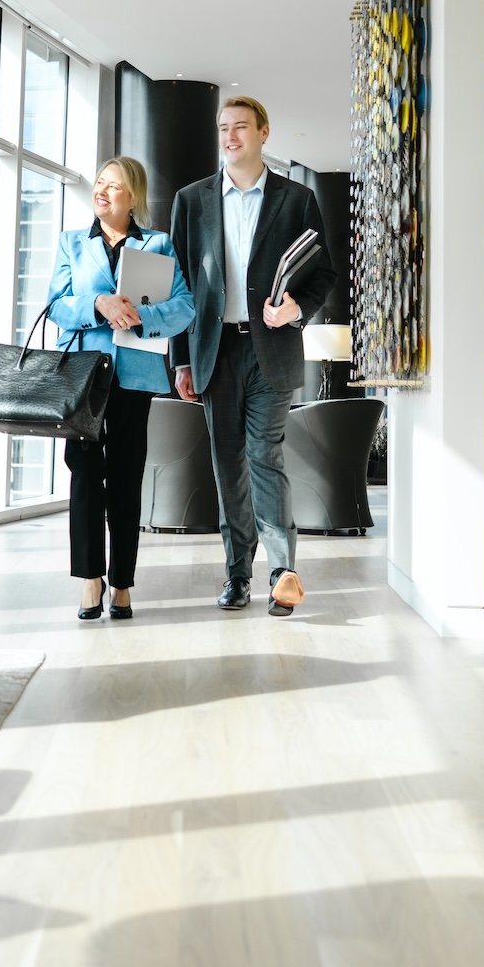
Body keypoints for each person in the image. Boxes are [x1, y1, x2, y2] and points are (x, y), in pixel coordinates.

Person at [170, 96, 335, 617]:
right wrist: (180, 359)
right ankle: (237, 574)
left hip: (271, 348)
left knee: (265, 455)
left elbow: (323, 273)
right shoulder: (191, 201)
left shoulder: (297, 198)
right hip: (214, 349)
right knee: (228, 465)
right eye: (223, 127)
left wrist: (295, 310)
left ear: (264, 132)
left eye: (240, 127)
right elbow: (179, 284)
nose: (230, 136)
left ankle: (282, 573)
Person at [45, 157, 195, 621]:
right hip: (84, 376)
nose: (102, 191)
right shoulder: (72, 242)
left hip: (134, 376)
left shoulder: (158, 244)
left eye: (114, 186)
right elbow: (55, 306)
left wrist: (141, 316)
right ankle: (90, 579)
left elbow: (185, 306)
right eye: (99, 183)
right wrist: (97, 303)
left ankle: (122, 583)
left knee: (126, 478)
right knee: (85, 475)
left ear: (133, 196)